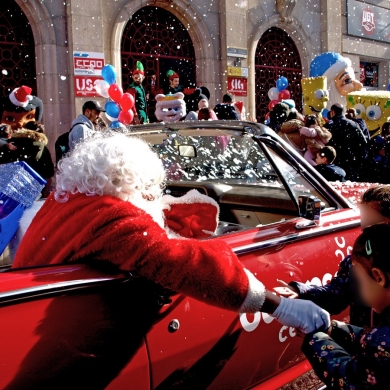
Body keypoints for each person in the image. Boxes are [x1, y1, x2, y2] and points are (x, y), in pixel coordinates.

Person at [12, 130, 330, 333]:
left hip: (27, 319)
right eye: (149, 189)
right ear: (131, 186)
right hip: (76, 334)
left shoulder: (66, 200)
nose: (152, 195)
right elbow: (186, 263)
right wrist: (279, 305)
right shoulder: (114, 222)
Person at [274, 184, 390, 328]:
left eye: (374, 228)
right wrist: (303, 292)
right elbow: (337, 295)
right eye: (364, 228)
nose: (364, 234)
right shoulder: (357, 263)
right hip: (366, 341)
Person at [302, 223, 390, 389]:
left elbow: (349, 379)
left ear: (378, 277)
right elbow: (369, 340)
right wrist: (333, 328)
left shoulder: (381, 343)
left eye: (359, 279)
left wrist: (315, 338)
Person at [0, 85, 54, 196]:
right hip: (34, 191)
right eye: (10, 119)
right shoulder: (41, 146)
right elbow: (48, 170)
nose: (20, 124)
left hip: (10, 191)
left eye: (28, 117)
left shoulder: (13, 144)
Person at [325, 103, 367, 181]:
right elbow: (363, 142)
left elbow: (324, 142)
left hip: (335, 161)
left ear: (332, 112)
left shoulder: (329, 125)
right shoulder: (353, 124)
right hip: (351, 159)